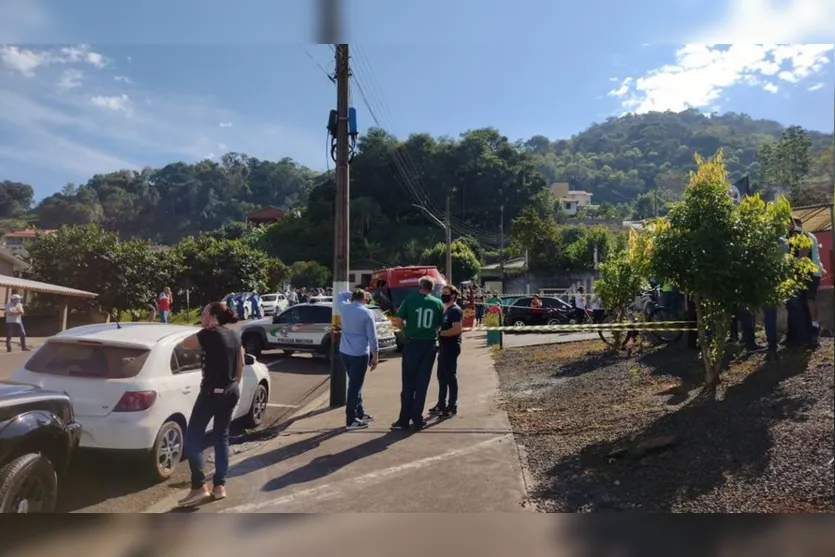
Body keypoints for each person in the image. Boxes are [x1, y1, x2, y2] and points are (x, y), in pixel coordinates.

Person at [178, 302, 243, 507]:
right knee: (221, 437)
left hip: (210, 393)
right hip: (231, 390)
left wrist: (206, 329)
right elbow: (240, 363)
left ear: (213, 316)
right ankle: (219, 487)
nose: (201, 316)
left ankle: (198, 487)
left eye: (204, 313)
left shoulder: (209, 334)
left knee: (193, 437)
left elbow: (185, 344)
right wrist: (233, 385)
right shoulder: (235, 335)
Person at [390, 276, 444, 432]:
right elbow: (439, 324)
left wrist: (406, 332)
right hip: (429, 345)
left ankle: (404, 419)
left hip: (412, 344)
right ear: (432, 288)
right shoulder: (437, 303)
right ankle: (418, 419)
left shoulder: (410, 299)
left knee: (408, 383)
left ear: (420, 286)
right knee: (422, 384)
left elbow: (399, 320)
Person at [337, 289, 380, 430]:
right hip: (359, 354)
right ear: (364, 299)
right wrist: (375, 355)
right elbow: (372, 336)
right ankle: (351, 419)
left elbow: (340, 295)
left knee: (355, 384)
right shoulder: (366, 312)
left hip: (345, 352)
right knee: (355, 387)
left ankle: (359, 413)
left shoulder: (344, 307)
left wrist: (353, 293)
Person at [429, 285, 463, 418]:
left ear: (453, 296)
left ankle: (452, 405)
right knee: (441, 377)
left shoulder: (455, 311)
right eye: (442, 293)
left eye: (446, 293)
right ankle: (441, 404)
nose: (443, 295)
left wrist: (440, 333)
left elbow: (456, 329)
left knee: (450, 377)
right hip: (443, 347)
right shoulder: (445, 310)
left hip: (451, 347)